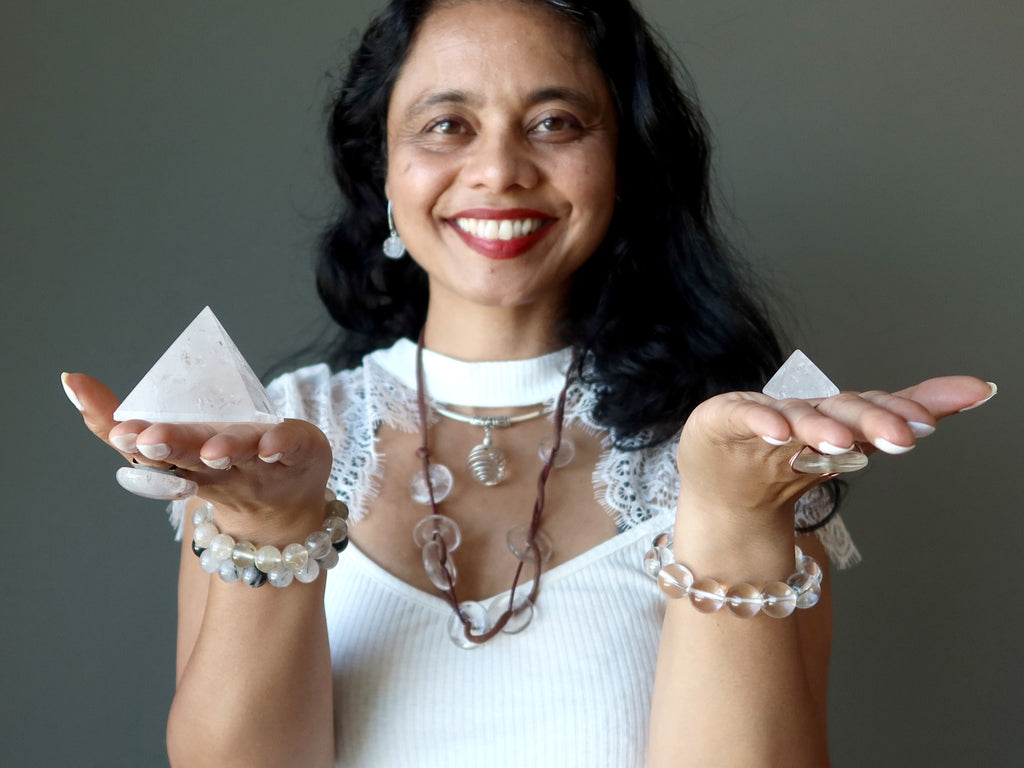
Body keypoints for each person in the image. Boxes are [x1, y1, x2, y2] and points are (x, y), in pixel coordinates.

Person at [60, 0, 996, 765]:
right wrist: (270, 528)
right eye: (446, 124)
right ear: (382, 170)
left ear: (621, 166)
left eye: (555, 122)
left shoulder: (755, 447)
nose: (499, 169)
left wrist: (734, 519)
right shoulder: (265, 436)